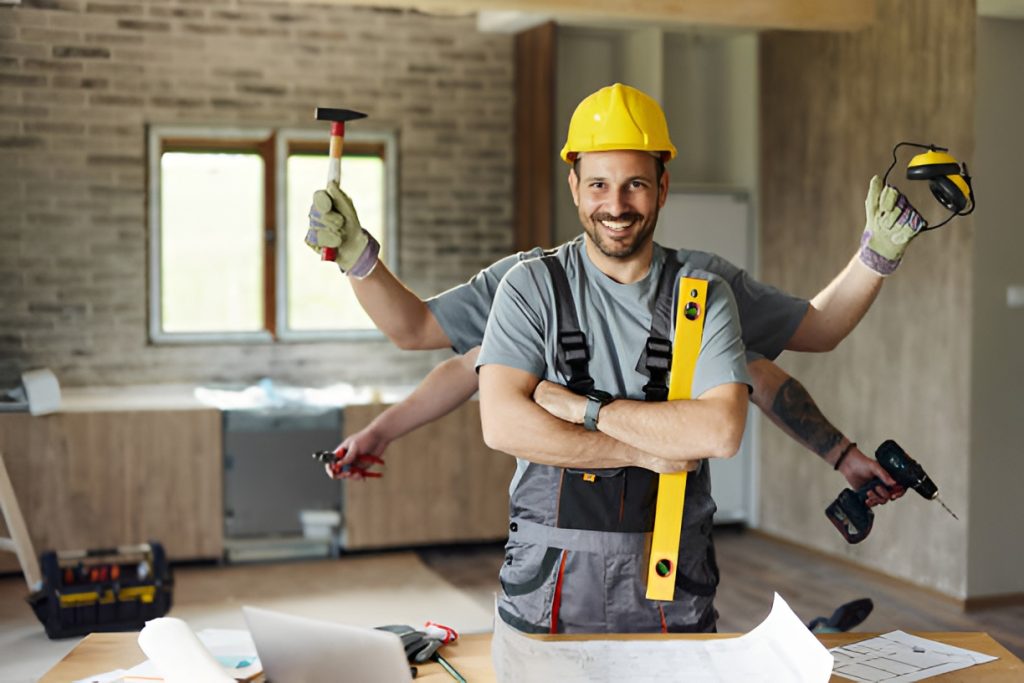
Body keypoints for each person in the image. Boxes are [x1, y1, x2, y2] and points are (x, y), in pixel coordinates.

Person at [306, 122, 925, 506]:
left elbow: (798, 345)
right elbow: (424, 337)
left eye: (634, 183)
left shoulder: (702, 289)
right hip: (555, 555)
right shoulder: (530, 285)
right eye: (599, 184)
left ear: (662, 186)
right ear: (574, 186)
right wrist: (357, 257)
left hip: (672, 553)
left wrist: (876, 257)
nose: (617, 203)